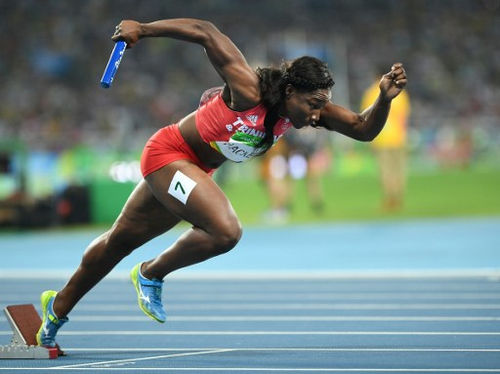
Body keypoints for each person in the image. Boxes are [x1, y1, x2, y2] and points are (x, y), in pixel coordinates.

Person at [35, 18, 407, 348]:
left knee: (119, 241)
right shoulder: (248, 90)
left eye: (320, 106)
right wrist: (144, 30)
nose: (314, 116)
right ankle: (150, 273)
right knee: (225, 231)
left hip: (194, 169)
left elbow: (363, 129)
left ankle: (57, 308)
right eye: (311, 104)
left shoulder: (310, 112)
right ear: (290, 91)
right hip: (169, 154)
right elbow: (206, 32)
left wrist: (384, 100)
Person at [361, 70, 411, 211]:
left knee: (385, 170)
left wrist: (368, 137)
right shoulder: (400, 92)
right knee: (399, 169)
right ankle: (398, 197)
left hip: (380, 136)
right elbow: (403, 117)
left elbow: (366, 116)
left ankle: (389, 198)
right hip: (398, 137)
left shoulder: (371, 93)